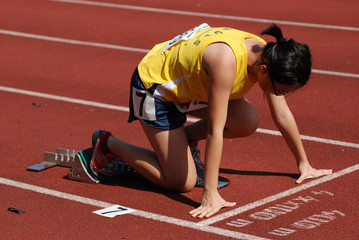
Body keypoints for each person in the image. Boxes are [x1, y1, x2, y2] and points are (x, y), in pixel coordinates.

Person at [88, 23, 332, 218]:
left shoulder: (268, 55)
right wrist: (210, 192)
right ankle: (108, 145)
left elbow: (282, 113)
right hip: (156, 89)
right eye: (281, 90)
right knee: (181, 182)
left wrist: (304, 164)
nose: (281, 96)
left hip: (190, 89)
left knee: (246, 121)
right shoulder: (227, 61)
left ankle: (182, 142)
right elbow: (215, 131)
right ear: (265, 71)